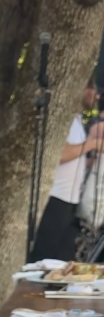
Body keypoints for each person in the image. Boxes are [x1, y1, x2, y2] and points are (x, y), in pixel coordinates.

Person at [30, 78, 101, 261]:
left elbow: (73, 157)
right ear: (82, 90)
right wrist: (92, 143)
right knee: (44, 254)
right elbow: (60, 154)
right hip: (56, 197)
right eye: (93, 89)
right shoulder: (65, 121)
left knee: (59, 256)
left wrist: (89, 162)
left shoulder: (77, 120)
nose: (97, 96)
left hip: (70, 200)